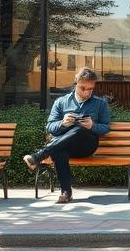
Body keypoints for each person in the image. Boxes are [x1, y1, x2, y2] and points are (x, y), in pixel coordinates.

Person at [23, 66, 110, 203]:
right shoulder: (61, 102)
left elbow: (105, 128)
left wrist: (93, 126)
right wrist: (63, 123)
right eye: (83, 88)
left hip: (86, 146)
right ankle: (66, 192)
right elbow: (50, 126)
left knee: (80, 129)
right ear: (76, 83)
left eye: (90, 89)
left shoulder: (100, 104)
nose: (87, 92)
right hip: (65, 146)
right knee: (61, 152)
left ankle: (39, 156)